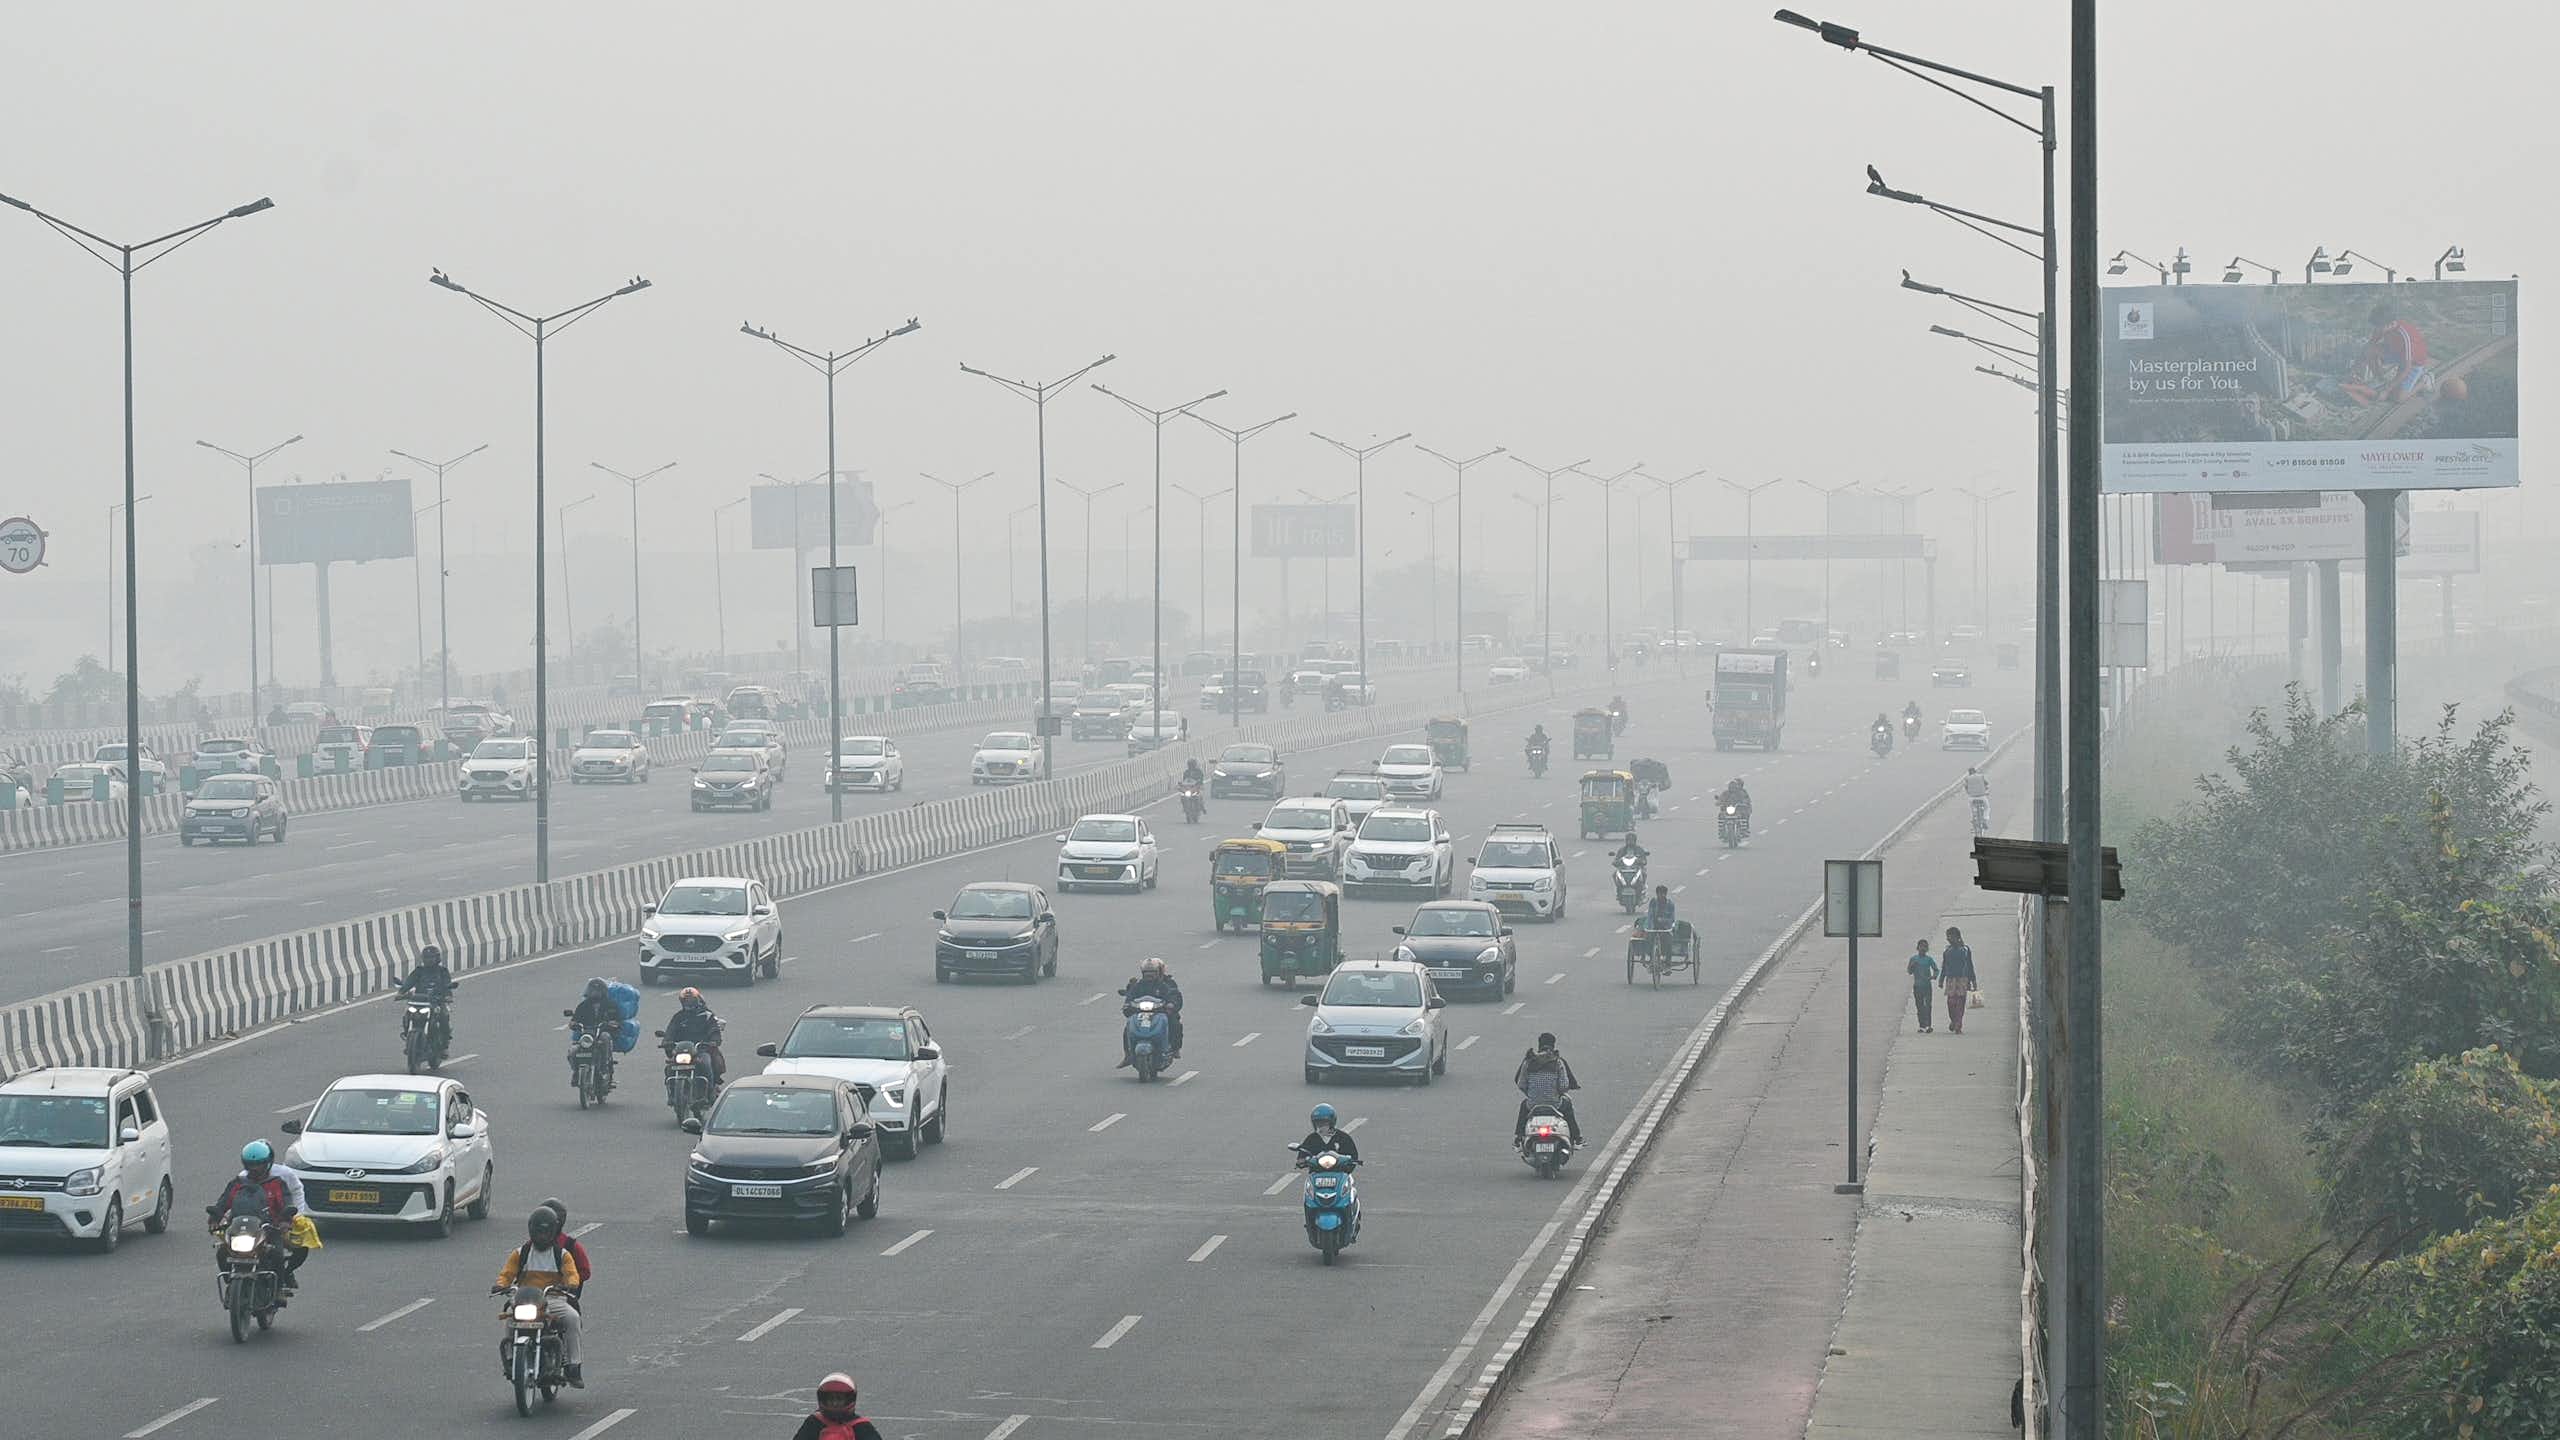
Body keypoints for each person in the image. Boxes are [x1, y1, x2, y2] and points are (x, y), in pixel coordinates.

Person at [491, 1206, 585, 1388]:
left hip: (553, 1299)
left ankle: (574, 1366)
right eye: (538, 1232)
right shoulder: (520, 1253)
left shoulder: (563, 1255)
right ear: (531, 1230)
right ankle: (511, 1359)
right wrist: (501, 1285)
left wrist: (570, 1284)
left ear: (553, 1232)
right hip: (525, 1299)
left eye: (546, 1232)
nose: (542, 1236)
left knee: (573, 1318)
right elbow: (506, 1274)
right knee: (510, 1319)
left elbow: (572, 1274)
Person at [206, 1138, 312, 1290]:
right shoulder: (237, 1183)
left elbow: (287, 1204)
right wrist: (215, 1218)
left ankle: (278, 1288)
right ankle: (230, 1283)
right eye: (251, 1165)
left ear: (268, 1163)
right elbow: (223, 1203)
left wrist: (285, 1220)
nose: (255, 1168)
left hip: (269, 1230)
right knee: (222, 1252)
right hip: (240, 1228)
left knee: (277, 1254)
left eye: (259, 1164)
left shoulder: (277, 1183)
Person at [1513, 1032, 1584, 1145]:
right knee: (1568, 1105)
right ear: (1553, 1045)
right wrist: (1557, 1093)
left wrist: (1531, 1094)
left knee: (1523, 1106)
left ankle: (1518, 1137)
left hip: (1533, 1104)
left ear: (1539, 1045)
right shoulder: (1558, 1061)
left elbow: (1521, 1084)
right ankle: (1577, 1138)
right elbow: (1564, 1085)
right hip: (1555, 1104)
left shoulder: (1529, 1061)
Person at [1118, 957, 1184, 1065]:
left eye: (1152, 972)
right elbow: (1130, 996)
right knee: (1128, 1028)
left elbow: (1173, 995)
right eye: (1146, 973)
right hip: (1142, 1013)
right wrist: (1127, 1004)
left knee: (1174, 1024)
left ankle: (1174, 1048)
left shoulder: (1165, 985)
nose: (1149, 975)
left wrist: (1171, 1004)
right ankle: (1128, 1055)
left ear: (1158, 972)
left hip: (1160, 1012)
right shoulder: (1139, 985)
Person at [662, 987, 726, 1087]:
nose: (689, 1003)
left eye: (691, 1001)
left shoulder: (707, 1015)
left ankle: (710, 1090)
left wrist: (714, 1040)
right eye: (686, 1001)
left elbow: (714, 1029)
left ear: (697, 1000)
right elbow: (671, 1030)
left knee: (706, 1064)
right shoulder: (678, 1016)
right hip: (682, 1050)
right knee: (669, 1069)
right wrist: (666, 1041)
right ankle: (671, 1091)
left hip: (701, 1050)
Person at [791, 1373, 884, 1440]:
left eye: (839, 1400)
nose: (834, 1404)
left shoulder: (861, 1426)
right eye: (831, 1400)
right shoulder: (814, 1422)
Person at [537, 1197, 595, 1302]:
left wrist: (567, 1283)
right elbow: (513, 1268)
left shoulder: (570, 1246)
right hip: (533, 1296)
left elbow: (585, 1271)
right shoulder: (529, 1246)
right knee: (510, 1313)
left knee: (571, 1317)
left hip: (562, 1297)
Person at [1941, 927, 1978, 1036]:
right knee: (1951, 1002)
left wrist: (1973, 980)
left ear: (1957, 937)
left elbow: (1970, 965)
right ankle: (1953, 1020)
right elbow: (1944, 965)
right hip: (1951, 979)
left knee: (1960, 1003)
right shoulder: (1947, 951)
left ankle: (1958, 1024)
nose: (1948, 939)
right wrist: (1941, 979)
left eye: (1950, 936)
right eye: (1947, 936)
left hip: (1963, 979)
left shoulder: (1965, 950)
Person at [1294, 1103, 1360, 1163]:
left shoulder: (1343, 1137)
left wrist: (1350, 1161)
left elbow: (1353, 1156)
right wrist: (1302, 1161)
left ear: (1332, 1122)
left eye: (1324, 1122)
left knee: (1350, 1177)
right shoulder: (1311, 1138)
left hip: (1340, 1172)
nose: (1321, 1125)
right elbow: (1301, 1156)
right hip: (1317, 1172)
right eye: (1318, 1122)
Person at [1907, 938, 1939, 1034]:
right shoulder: (1913, 959)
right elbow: (1909, 971)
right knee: (1920, 1006)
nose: (1923, 948)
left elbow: (1936, 969)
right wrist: (1912, 965)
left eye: (1925, 947)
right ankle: (1921, 1026)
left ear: (1927, 949)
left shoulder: (1929, 959)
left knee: (1928, 1006)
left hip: (1927, 986)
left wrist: (1934, 976)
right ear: (1917, 948)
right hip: (1917, 986)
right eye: (1921, 946)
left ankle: (1929, 1025)